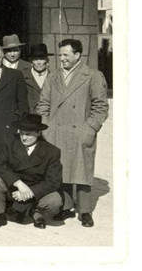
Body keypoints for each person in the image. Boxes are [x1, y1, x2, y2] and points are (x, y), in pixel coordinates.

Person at [36, 38, 110, 228]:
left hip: (80, 131)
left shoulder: (93, 76)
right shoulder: (53, 77)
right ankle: (67, 206)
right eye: (60, 55)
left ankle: (85, 211)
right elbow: (43, 104)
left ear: (77, 55)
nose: (62, 59)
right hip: (56, 132)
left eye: (66, 55)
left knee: (82, 171)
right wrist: (46, 127)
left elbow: (101, 107)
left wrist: (90, 128)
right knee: (61, 171)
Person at [0, 114, 63, 230]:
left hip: (35, 192)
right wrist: (18, 183)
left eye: (28, 134)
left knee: (55, 201)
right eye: (21, 133)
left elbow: (53, 181)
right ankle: (0, 214)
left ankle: (35, 212)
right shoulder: (9, 142)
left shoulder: (51, 151)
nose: (24, 138)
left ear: (38, 133)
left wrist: (30, 192)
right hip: (13, 187)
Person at [24, 43, 53, 112]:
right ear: (31, 61)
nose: (39, 62)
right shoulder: (23, 76)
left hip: (47, 115)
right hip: (29, 115)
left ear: (47, 60)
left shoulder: (53, 77)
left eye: (42, 59)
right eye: (36, 59)